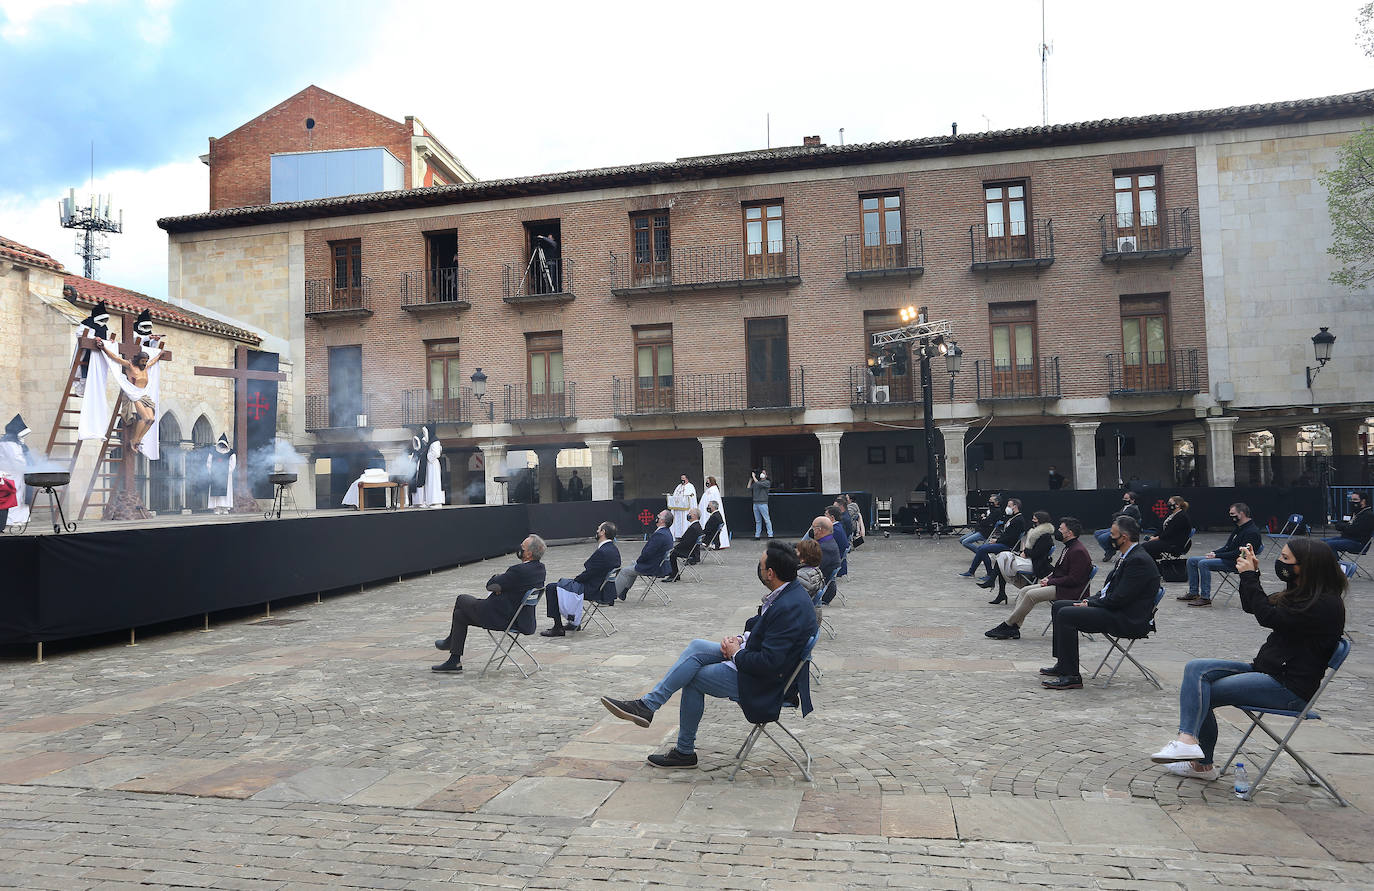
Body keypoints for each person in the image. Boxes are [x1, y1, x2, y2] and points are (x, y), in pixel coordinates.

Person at [598, 540, 817, 769]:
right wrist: (740, 640)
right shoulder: (788, 593)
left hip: (766, 682)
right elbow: (761, 627)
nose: (759, 570)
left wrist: (734, 654)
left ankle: (682, 749)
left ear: (770, 573)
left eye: (760, 566)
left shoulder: (789, 607)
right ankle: (648, 706)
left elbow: (769, 663)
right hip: (753, 657)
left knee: (693, 678)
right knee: (696, 646)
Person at [1149, 537, 1346, 782]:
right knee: (1196, 669)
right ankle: (1189, 744)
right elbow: (1253, 606)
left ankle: (1199, 761)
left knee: (1202, 693)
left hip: (1289, 687)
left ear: (1307, 566)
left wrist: (1251, 576)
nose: (1280, 562)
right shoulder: (1303, 593)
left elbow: (1267, 616)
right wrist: (1250, 574)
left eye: (1285, 558)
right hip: (1267, 670)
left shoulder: (1324, 604)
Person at [1041, 516, 1160, 690]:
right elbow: (1108, 591)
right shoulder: (1128, 556)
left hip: (1127, 617)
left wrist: (1090, 605)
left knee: (1067, 614)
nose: (1108, 538)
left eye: (1112, 534)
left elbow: (1120, 598)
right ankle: (1063, 664)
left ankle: (1072, 676)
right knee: (1060, 606)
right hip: (1116, 609)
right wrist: (1088, 600)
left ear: (1124, 538)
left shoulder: (1138, 561)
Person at [432, 535, 547, 672]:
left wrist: (498, 581)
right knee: (460, 615)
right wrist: (502, 587)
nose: (519, 548)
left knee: (461, 599)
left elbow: (491, 585)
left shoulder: (518, 571)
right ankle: (454, 661)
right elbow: (504, 586)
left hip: (501, 617)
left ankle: (450, 642)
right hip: (521, 620)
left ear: (529, 553)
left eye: (522, 547)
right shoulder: (540, 569)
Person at [986, 516, 1092, 640]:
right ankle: (1015, 627)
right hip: (1060, 585)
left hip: (1070, 590)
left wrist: (1051, 581)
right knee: (1024, 591)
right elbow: (1060, 570)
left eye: (1061, 529)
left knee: (1031, 595)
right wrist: (1049, 578)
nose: (1058, 531)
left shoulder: (1077, 551)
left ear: (1070, 533)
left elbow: (1074, 579)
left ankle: (1008, 624)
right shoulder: (1069, 547)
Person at [542, 522, 621, 636]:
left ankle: (558, 627)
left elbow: (588, 574)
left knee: (551, 588)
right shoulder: (613, 549)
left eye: (598, 529)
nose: (597, 531)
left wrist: (575, 580)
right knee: (562, 585)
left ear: (603, 532)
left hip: (595, 589)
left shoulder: (602, 552)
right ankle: (574, 623)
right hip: (605, 588)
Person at [1179, 502, 1263, 607]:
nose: (1231, 516)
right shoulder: (1239, 528)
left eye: (1233, 513)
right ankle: (1193, 592)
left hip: (1238, 563)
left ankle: (1205, 597)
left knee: (1203, 563)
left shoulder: (1251, 532)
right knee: (1192, 560)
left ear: (1241, 514)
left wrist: (1217, 556)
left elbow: (1239, 554)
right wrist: (1215, 553)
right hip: (1228, 558)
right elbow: (1227, 547)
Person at [97, 337, 165, 453]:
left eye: (145, 361)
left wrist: (159, 356)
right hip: (134, 395)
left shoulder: (146, 367)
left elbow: (153, 362)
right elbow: (115, 358)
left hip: (144, 395)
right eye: (143, 361)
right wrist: (104, 348)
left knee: (152, 420)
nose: (144, 363)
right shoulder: (130, 366)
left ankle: (138, 439)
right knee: (145, 418)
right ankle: (134, 440)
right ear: (138, 360)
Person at [984, 510, 1055, 602]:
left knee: (1003, 560)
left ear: (1039, 520)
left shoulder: (1045, 536)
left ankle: (995, 585)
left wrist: (1025, 552)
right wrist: (1024, 551)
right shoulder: (1035, 532)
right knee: (1002, 557)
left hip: (1035, 564)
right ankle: (999, 591)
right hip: (1028, 559)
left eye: (1034, 518)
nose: (1032, 520)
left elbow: (1037, 553)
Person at [960, 498, 1027, 581]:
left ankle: (988, 573)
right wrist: (997, 539)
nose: (1007, 507)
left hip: (1008, 545)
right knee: (982, 548)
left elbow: (1011, 537)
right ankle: (972, 571)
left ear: (1015, 506)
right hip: (1004, 542)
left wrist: (997, 541)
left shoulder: (1018, 520)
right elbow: (1006, 534)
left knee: (983, 549)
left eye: (1009, 506)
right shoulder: (1013, 518)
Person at [614, 509, 675, 599]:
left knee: (624, 571)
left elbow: (647, 553)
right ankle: (624, 591)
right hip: (659, 564)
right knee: (633, 563)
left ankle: (610, 596)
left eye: (659, 515)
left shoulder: (660, 534)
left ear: (662, 521)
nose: (657, 516)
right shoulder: (666, 532)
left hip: (654, 567)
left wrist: (640, 561)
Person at [0, 414, 33, 529]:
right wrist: (28, 466)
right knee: (13, 498)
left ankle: (20, 518)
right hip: (10, 475)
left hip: (18, 475)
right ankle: (11, 520)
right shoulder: (7, 443)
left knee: (21, 497)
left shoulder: (15, 443)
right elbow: (16, 460)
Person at [1094, 491, 1142, 561]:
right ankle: (1109, 550)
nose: (1124, 500)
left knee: (1102, 537)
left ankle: (1111, 549)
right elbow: (1117, 516)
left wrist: (1117, 515)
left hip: (1125, 529)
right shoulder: (1125, 507)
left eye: (1126, 498)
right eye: (1124, 498)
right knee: (1097, 533)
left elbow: (1122, 516)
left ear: (1132, 500)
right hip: (1118, 526)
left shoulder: (1133, 508)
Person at [1323, 490, 1372, 556]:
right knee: (1319, 542)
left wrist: (1345, 526)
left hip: (1358, 543)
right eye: (1351, 499)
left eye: (1355, 499)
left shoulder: (1368, 515)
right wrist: (1346, 526)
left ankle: (1336, 565)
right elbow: (1338, 524)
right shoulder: (1352, 512)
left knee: (1328, 544)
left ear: (1363, 501)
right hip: (1346, 538)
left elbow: (1354, 530)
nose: (1352, 501)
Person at [665, 508, 704, 581]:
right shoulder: (697, 525)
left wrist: (675, 548)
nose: (688, 515)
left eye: (690, 514)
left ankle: (674, 575)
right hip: (693, 550)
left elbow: (686, 542)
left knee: (671, 554)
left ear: (694, 516)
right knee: (672, 552)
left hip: (690, 552)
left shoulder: (693, 528)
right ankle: (674, 574)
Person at [812, 515, 842, 604]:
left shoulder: (825, 548)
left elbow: (814, 568)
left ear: (819, 530)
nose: (812, 531)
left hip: (823, 591)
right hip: (824, 585)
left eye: (813, 528)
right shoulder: (828, 542)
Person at [697, 475, 729, 548]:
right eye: (706, 481)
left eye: (708, 481)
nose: (707, 483)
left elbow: (711, 500)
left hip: (711, 511)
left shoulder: (713, 490)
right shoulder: (710, 489)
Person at [207, 433, 235, 515]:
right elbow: (209, 462)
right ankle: (217, 508)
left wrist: (226, 471)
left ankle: (225, 508)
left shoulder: (231, 452)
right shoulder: (213, 451)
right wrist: (212, 472)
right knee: (216, 492)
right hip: (215, 474)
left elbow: (232, 463)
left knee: (226, 492)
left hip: (226, 475)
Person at [418, 424, 444, 507]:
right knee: (428, 483)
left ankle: (436, 501)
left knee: (434, 483)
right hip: (429, 465)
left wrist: (428, 456)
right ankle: (429, 501)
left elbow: (436, 453)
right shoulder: (430, 442)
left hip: (432, 464)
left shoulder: (435, 441)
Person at [826, 504, 851, 579]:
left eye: (826, 514)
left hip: (835, 558)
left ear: (832, 517)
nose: (824, 516)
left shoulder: (834, 530)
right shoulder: (838, 526)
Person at [748, 469, 773, 539]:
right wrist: (750, 479)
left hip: (763, 504)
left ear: (766, 475)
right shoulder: (756, 482)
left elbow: (759, 483)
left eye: (764, 473)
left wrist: (754, 477)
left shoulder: (767, 482)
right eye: (761, 473)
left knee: (767, 519)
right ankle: (757, 535)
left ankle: (770, 535)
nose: (762, 474)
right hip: (755, 504)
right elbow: (749, 487)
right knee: (758, 521)